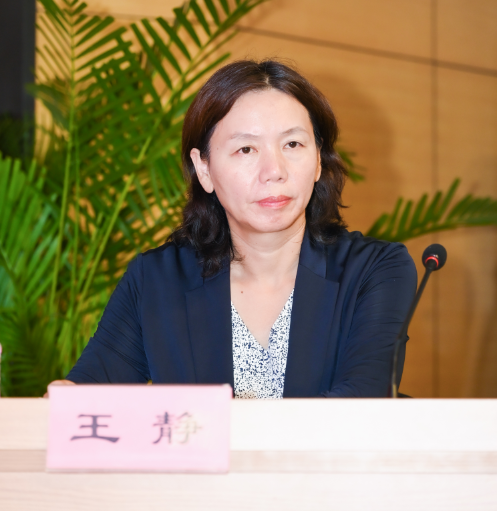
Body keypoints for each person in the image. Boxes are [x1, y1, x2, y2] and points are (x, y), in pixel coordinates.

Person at [49, 59, 417, 398]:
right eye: (246, 150)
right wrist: (63, 398)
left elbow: (361, 405)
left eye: (292, 144)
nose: (274, 171)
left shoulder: (374, 271)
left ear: (319, 159)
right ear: (204, 169)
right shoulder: (157, 280)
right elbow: (88, 393)